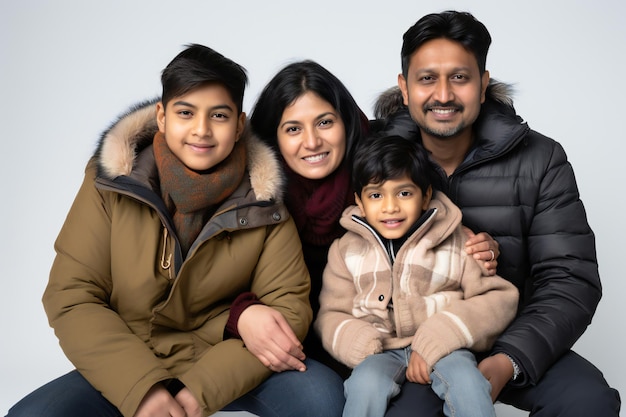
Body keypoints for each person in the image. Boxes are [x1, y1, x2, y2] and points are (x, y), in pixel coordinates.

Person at [5, 44, 344, 417]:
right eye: (186, 113)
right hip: (131, 354)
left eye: (219, 115)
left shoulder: (264, 198)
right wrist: (143, 390)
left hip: (221, 359)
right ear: (162, 117)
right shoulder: (112, 183)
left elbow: (288, 305)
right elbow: (71, 295)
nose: (202, 130)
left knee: (321, 396)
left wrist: (198, 392)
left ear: (239, 124)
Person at [373, 10, 621, 416]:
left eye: (460, 77)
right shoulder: (372, 158)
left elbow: (569, 277)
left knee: (588, 402)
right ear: (404, 87)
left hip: (510, 332)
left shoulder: (541, 158)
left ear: (483, 84)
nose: (443, 95)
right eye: (426, 78)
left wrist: (508, 360)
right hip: (412, 344)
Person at [315, 134, 518, 417]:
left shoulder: (458, 240)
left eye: (404, 193)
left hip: (445, 348)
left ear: (425, 197)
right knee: (365, 384)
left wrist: (439, 336)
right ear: (359, 202)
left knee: (469, 383)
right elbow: (331, 313)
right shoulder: (345, 250)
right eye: (376, 195)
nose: (390, 207)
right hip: (381, 351)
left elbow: (497, 299)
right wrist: (361, 344)